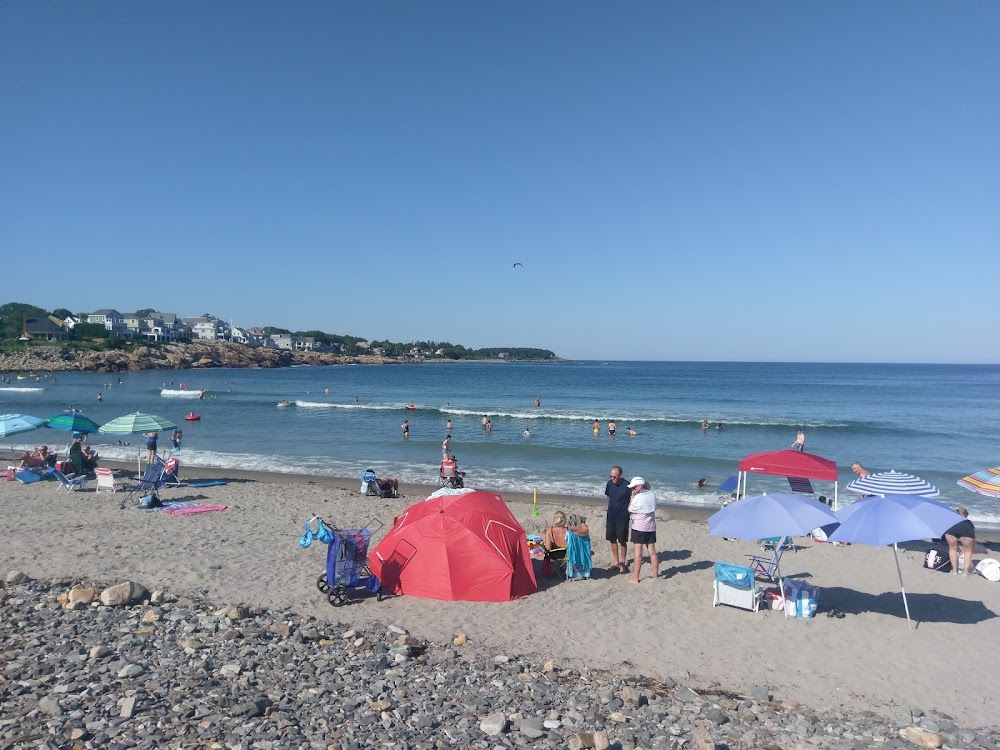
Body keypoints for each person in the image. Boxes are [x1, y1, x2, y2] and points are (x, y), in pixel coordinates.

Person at [627, 477, 659, 583]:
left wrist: (632, 497)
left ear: (639, 486)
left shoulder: (638, 497)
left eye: (634, 487)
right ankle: (655, 575)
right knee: (652, 552)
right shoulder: (651, 494)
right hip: (650, 527)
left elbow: (630, 509)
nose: (633, 489)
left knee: (638, 553)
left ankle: (635, 578)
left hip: (639, 527)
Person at [605, 466, 631, 573]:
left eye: (614, 476)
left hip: (623, 518)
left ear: (620, 475)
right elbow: (609, 497)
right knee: (612, 539)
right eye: (611, 476)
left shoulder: (627, 486)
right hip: (611, 516)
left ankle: (623, 563)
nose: (612, 478)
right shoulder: (609, 484)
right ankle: (616, 562)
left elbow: (632, 498)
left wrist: (628, 510)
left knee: (622, 540)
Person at [944, 508, 976, 577]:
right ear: (965, 515)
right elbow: (973, 537)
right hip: (966, 528)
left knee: (952, 549)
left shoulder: (950, 521)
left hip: (951, 528)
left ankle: (955, 571)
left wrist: (958, 548)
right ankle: (965, 572)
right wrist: (972, 547)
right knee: (968, 551)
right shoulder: (968, 522)